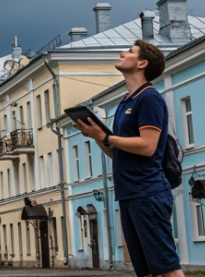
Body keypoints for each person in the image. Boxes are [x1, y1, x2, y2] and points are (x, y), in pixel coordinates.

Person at [72, 39, 182, 277]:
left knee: (167, 269)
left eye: (130, 51)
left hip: (148, 193)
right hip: (129, 195)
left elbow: (148, 146)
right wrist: (96, 137)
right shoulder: (125, 102)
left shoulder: (149, 98)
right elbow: (117, 152)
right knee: (147, 272)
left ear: (142, 63)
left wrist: (106, 137)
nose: (122, 53)